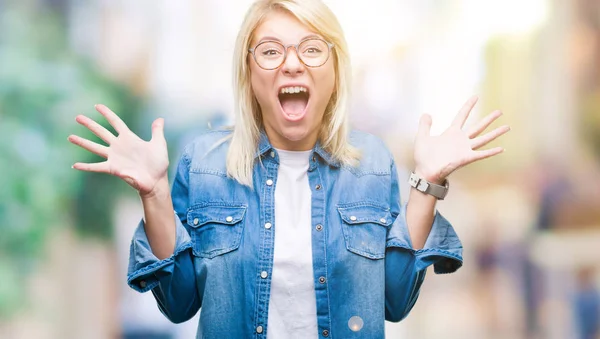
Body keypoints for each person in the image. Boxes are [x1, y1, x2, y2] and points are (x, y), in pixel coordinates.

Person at [68, 0, 510, 337]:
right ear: (249, 72)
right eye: (270, 50)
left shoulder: (373, 163)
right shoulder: (202, 164)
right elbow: (180, 303)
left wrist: (428, 183)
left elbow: (393, 300)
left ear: (335, 70)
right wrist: (154, 193)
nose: (292, 63)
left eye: (313, 49)